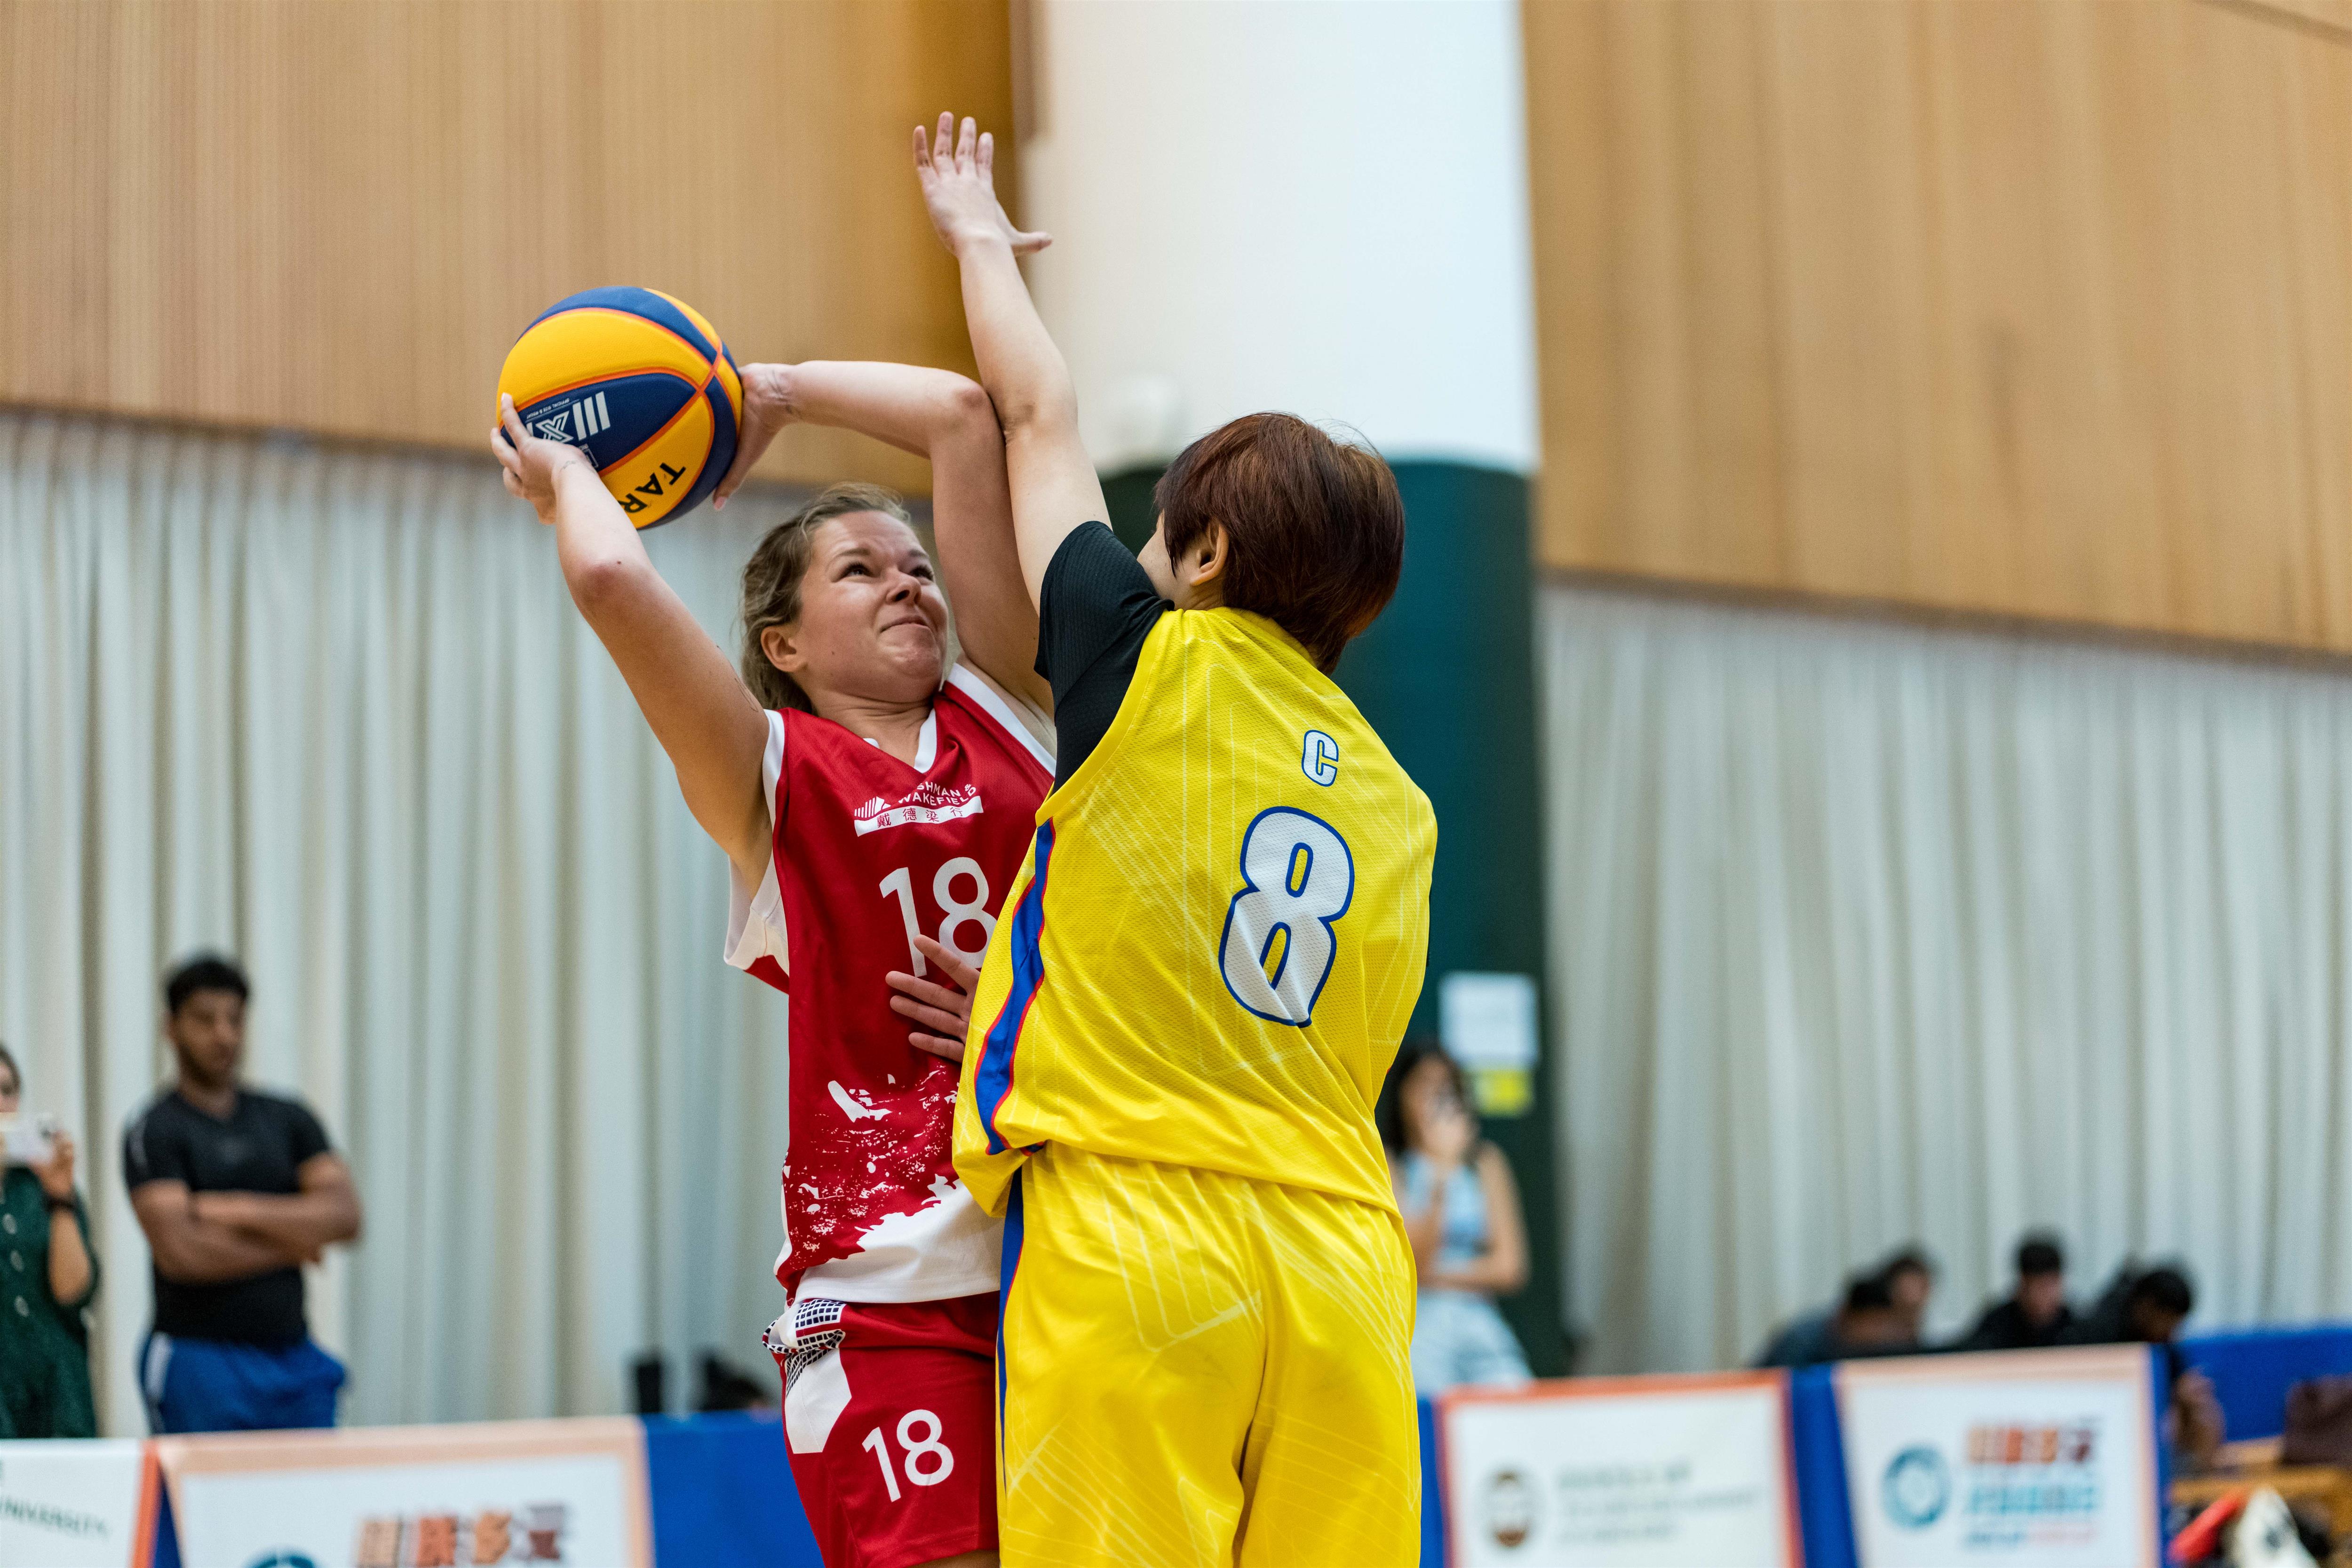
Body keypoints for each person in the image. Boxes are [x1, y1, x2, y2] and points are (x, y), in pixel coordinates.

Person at [915, 114, 1434, 1568]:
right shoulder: (1404, 803)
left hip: (1143, 1236)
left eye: (1158, 535)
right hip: (1341, 1263)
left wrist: (968, 227)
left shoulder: (1143, 659)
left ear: (1202, 553)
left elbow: (1034, 409)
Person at [496, 353, 1054, 1568]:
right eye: (862, 571)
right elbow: (606, 569)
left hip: (1067, 1261)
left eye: (917, 567)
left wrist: (773, 391)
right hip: (889, 1297)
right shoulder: (770, 776)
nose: (911, 584)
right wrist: (568, 476)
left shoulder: (1009, 707)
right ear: (784, 643)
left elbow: (963, 415)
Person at [124, 955, 363, 1433]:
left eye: (234, 1019)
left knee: (313, 1500)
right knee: (203, 1508)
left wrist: (233, 1208)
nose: (224, 1036)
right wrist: (295, 1241)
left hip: (294, 1355)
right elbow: (182, 1254)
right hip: (199, 1360)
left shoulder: (288, 1117)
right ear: (171, 1028)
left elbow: (344, 1215)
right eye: (206, 1020)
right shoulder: (156, 1129)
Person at [1382, 1040, 1529, 1395]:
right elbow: (1415, 1261)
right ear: (1402, 1096)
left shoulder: (1486, 1161)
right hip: (1420, 1324)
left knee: (1515, 1389)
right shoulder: (1390, 1163)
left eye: (1446, 1087)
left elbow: (1509, 1268)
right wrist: (1441, 1173)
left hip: (1479, 1317)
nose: (1437, 1099)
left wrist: (1435, 1276)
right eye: (1424, 1086)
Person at [0, 1043, 99, 1438]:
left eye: (7, 1091)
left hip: (58, 1395)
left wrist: (61, 1196)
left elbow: (74, 1291)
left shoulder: (41, 1187)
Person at [1756, 1275, 1914, 1368]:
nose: (1878, 1333)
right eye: (1873, 1324)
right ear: (1851, 1316)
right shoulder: (1803, 1340)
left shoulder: (1871, 1345)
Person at [1959, 1234, 2074, 1352]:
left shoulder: (2072, 1324)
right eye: (2041, 1286)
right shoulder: (1997, 1325)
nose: (2048, 1295)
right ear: (2023, 1285)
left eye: (2052, 1285)